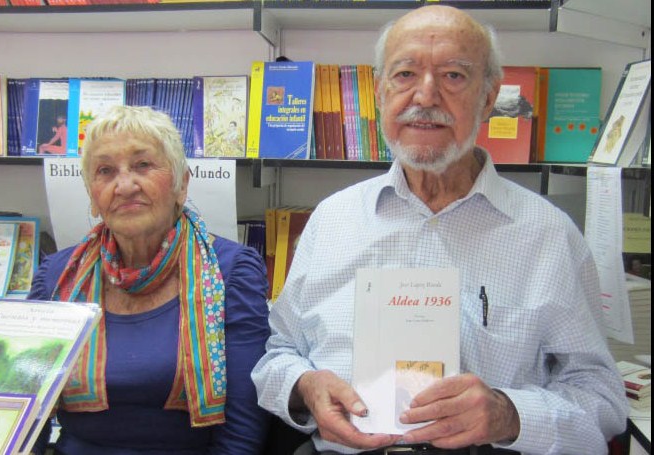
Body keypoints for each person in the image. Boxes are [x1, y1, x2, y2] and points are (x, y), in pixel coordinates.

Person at [251, 5, 629, 455]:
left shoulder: (549, 235)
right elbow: (278, 355)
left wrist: (509, 414)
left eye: (453, 76)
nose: (425, 96)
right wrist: (304, 386)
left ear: (489, 98)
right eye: (405, 74)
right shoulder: (331, 221)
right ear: (378, 91)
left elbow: (602, 399)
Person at [28, 105, 270, 454]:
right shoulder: (55, 277)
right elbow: (27, 417)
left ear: (180, 183)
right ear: (92, 196)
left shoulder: (231, 272)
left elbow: (241, 432)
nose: (125, 185)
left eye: (142, 165)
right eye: (105, 171)